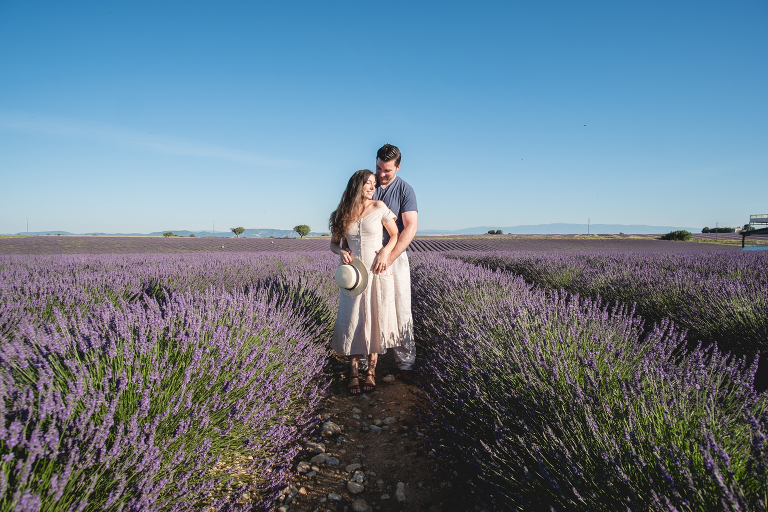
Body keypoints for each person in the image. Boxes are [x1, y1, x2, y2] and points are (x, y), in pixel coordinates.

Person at [330, 169, 400, 394]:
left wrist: (385, 253)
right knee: (353, 319)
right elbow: (334, 243)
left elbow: (395, 235)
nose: (372, 187)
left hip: (377, 271)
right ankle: (353, 373)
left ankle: (371, 372)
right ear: (356, 185)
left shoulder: (379, 207)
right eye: (368, 183)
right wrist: (341, 252)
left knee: (375, 318)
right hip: (354, 275)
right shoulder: (342, 213)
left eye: (373, 184)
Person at [371, 144, 418, 383]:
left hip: (395, 256)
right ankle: (367, 363)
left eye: (387, 170)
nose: (381, 174)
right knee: (369, 307)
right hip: (367, 256)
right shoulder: (367, 184)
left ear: (398, 167)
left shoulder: (405, 190)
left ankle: (405, 363)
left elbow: (410, 227)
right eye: (379, 168)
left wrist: (389, 257)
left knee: (401, 308)